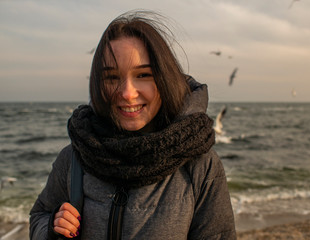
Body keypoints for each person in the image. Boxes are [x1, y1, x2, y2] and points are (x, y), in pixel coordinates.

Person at [29, 10, 236, 240]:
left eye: (143, 75)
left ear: (164, 78)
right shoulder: (74, 158)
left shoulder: (200, 166)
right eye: (112, 78)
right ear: (98, 84)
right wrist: (52, 226)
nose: (127, 93)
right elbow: (39, 215)